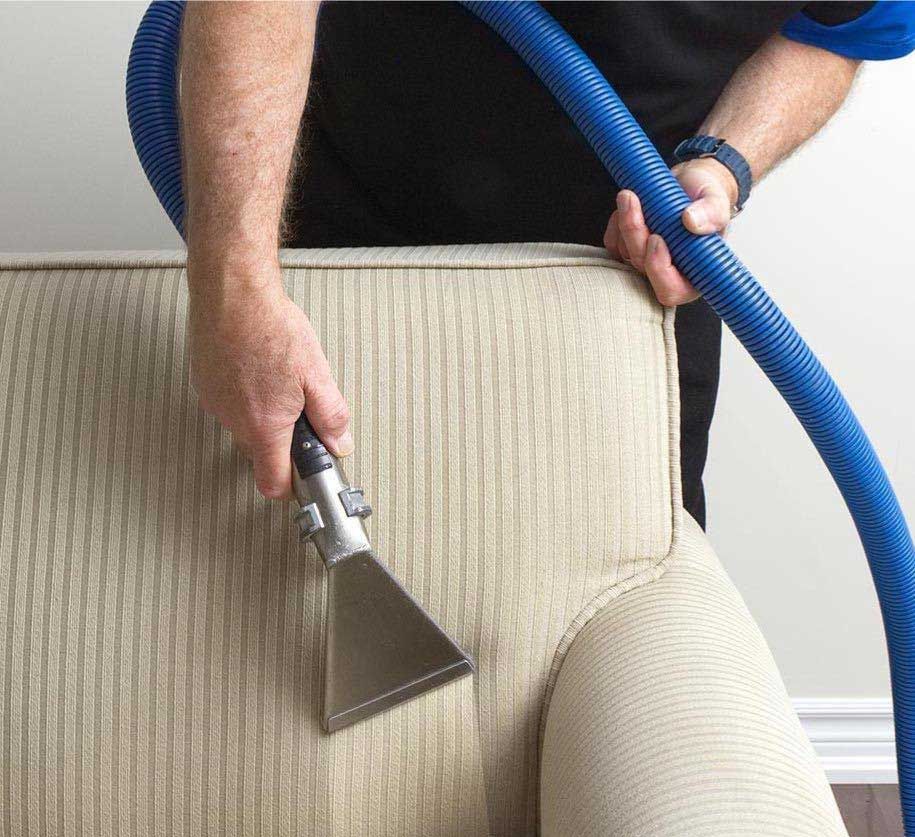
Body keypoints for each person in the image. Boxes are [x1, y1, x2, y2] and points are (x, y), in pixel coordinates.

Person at [181, 1, 915, 527]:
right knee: (287, 579)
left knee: (629, 579)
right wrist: (235, 293)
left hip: (631, 274)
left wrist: (722, 162)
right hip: (354, 240)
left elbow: (834, 28)